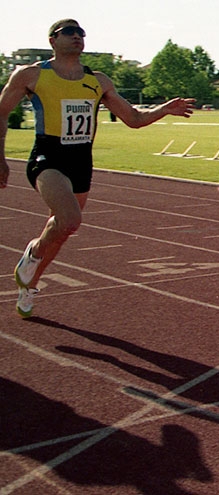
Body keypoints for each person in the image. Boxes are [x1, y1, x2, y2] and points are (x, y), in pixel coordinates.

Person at [1, 19, 196, 318]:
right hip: (48, 157)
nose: (78, 37)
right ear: (53, 40)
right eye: (70, 32)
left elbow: (133, 118)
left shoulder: (98, 81)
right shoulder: (32, 74)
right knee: (68, 218)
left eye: (81, 33)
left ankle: (30, 283)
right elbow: (1, 113)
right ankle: (34, 255)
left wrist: (164, 110)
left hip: (81, 160)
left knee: (65, 227)